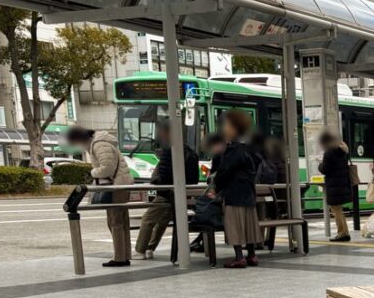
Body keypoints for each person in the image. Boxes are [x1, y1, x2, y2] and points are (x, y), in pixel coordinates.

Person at [66, 126, 132, 267]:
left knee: (115, 221)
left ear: (79, 138)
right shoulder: (99, 141)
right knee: (121, 221)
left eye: (75, 142)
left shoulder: (99, 143)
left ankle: (120, 257)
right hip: (121, 183)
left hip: (117, 185)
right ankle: (124, 255)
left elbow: (107, 167)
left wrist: (93, 172)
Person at [133, 124, 198, 260]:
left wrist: (157, 183)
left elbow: (164, 174)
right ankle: (150, 247)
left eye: (162, 132)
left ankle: (140, 250)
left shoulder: (170, 151)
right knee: (162, 221)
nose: (160, 135)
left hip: (166, 193)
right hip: (181, 195)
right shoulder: (191, 152)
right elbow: (194, 179)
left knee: (148, 219)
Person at [213, 110, 261, 268]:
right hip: (248, 192)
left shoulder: (233, 149)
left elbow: (224, 171)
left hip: (234, 193)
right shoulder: (249, 146)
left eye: (226, 125)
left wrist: (216, 186)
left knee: (234, 224)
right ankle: (252, 255)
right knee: (249, 224)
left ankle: (239, 257)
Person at [318, 129, 352, 242]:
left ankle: (342, 233)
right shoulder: (343, 150)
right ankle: (345, 232)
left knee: (336, 210)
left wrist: (319, 165)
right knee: (339, 209)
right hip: (342, 184)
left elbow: (325, 169)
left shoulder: (329, 153)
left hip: (334, 185)